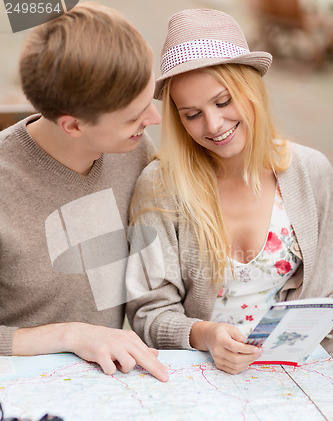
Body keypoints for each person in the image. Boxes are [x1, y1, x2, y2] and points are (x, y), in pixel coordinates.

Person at [126, 8, 333, 375]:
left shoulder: (311, 171)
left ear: (250, 88)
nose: (214, 125)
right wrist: (206, 334)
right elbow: (148, 311)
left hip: (297, 376)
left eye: (223, 102)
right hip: (199, 378)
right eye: (192, 114)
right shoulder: (159, 185)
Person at [0, 3, 169, 382]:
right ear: (73, 126)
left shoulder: (134, 150)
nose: (154, 119)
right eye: (134, 115)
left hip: (106, 388)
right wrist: (71, 334)